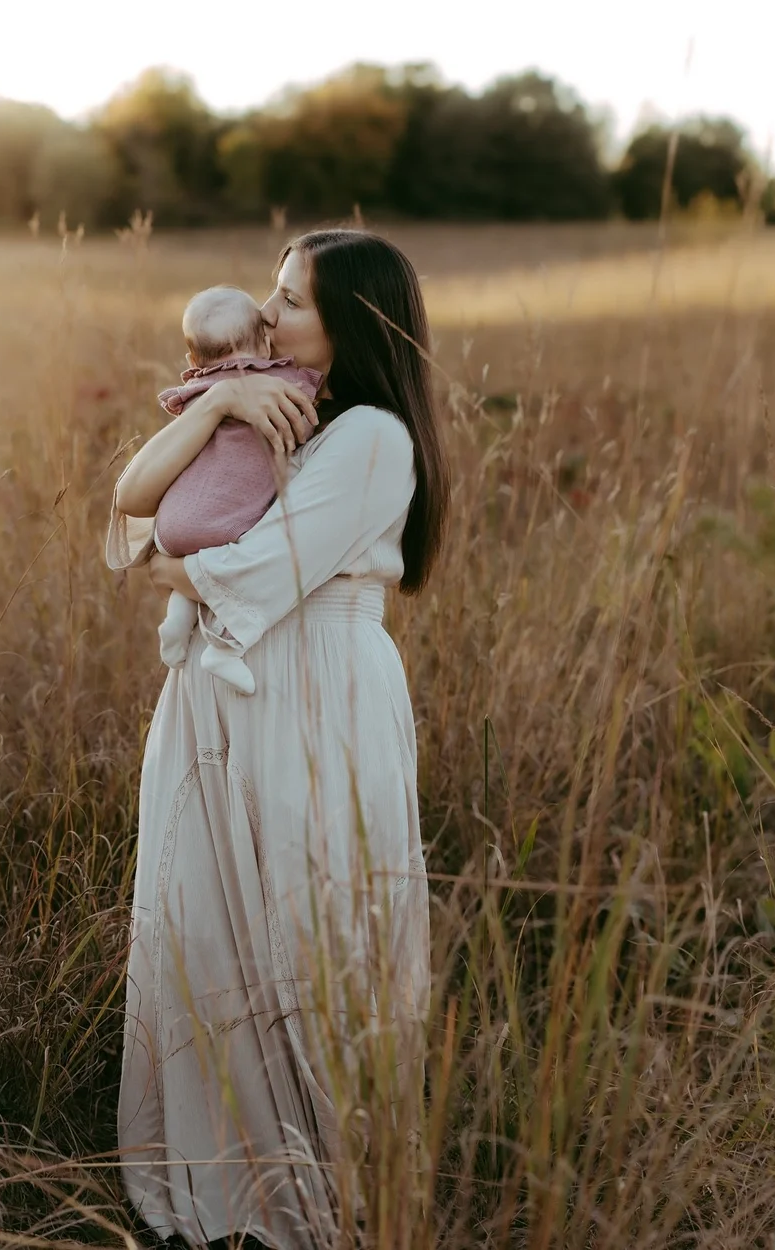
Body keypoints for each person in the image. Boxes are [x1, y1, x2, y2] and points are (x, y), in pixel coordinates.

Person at [112, 230, 451, 1250]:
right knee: (209, 917)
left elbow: (232, 569)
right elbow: (130, 505)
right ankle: (226, 1178)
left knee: (310, 929)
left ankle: (324, 1187)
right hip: (224, 689)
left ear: (351, 321)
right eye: (270, 290)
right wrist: (214, 402)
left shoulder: (373, 438)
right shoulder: (280, 410)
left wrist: (155, 550)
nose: (267, 313)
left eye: (291, 298)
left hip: (314, 695)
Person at [105, 285, 321, 696]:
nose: (271, 312)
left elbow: (132, 500)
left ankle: (178, 618)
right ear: (262, 341)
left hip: (169, 533)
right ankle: (225, 647)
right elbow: (129, 495)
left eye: (290, 301)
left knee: (208, 547)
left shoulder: (192, 393)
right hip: (224, 527)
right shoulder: (282, 384)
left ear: (192, 361)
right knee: (236, 537)